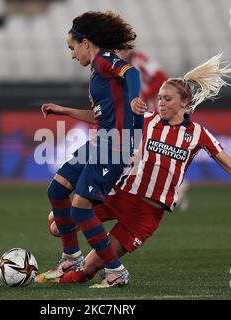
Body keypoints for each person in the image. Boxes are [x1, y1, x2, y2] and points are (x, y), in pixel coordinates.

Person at [47, 53, 231, 284]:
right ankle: (67, 259)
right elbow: (103, 117)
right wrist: (65, 111)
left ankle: (58, 279)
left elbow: (228, 161)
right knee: (55, 226)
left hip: (146, 214)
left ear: (184, 102)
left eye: (167, 99)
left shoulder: (199, 134)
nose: (160, 102)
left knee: (88, 270)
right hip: (120, 195)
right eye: (160, 98)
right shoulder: (147, 120)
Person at [35, 11, 147, 288]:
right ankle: (72, 256)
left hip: (115, 145)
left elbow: (131, 73)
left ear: (86, 42)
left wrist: (134, 100)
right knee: (57, 190)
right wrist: (63, 110)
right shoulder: (97, 71)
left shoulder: (104, 60)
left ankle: (116, 271)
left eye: (72, 47)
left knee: (81, 209)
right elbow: (100, 118)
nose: (72, 54)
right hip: (100, 142)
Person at [119, 48, 191, 211]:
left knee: (144, 152)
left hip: (152, 115)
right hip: (141, 115)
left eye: (123, 48)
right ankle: (175, 195)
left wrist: (144, 97)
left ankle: (176, 188)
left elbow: (161, 77)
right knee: (146, 154)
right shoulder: (123, 66)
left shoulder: (141, 60)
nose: (120, 52)